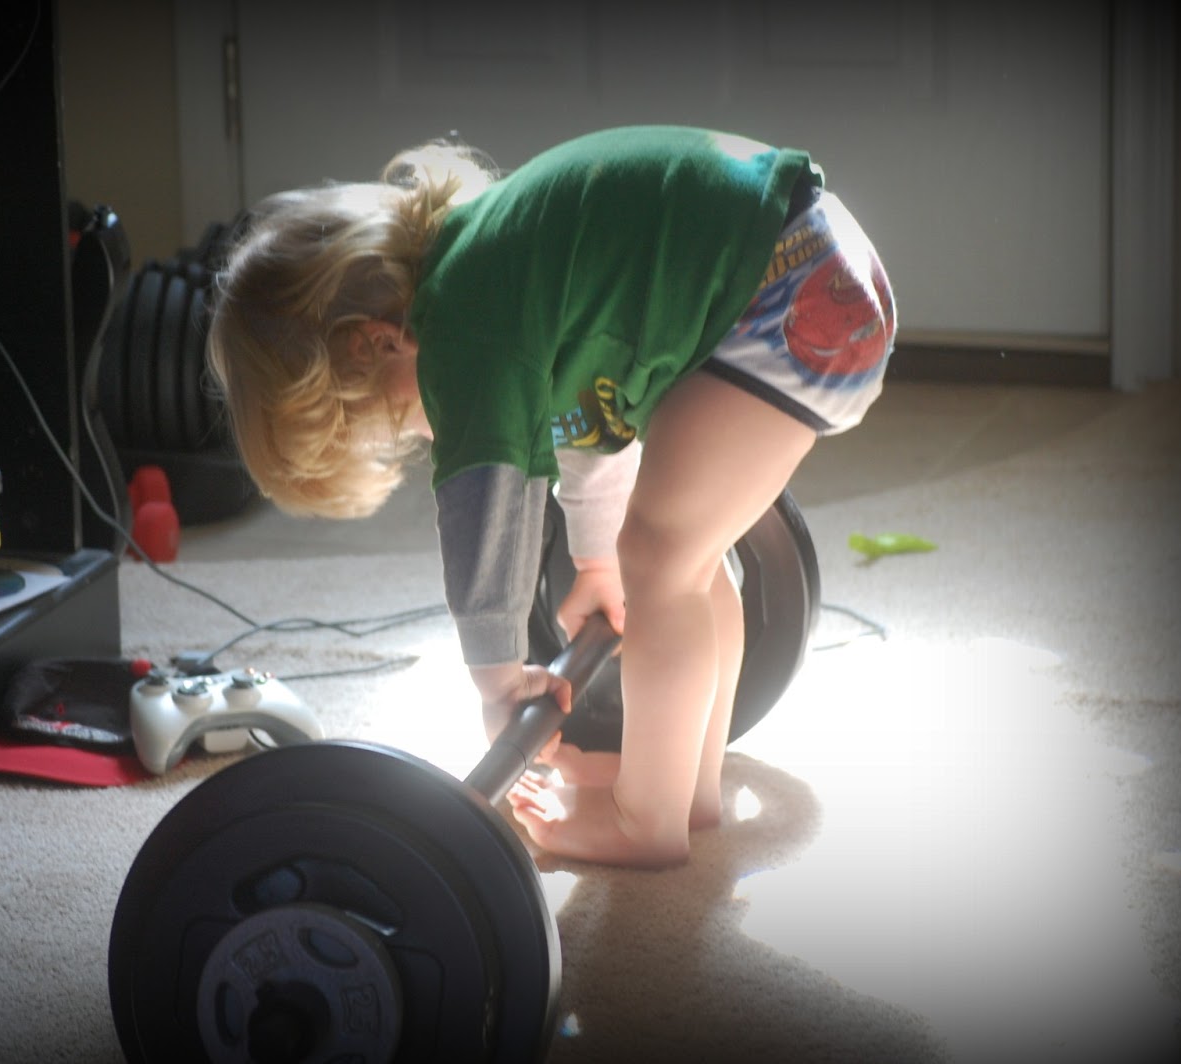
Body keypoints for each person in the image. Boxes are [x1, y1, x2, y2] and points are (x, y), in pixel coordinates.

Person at [205, 126, 895, 868]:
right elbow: (594, 422)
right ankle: (685, 792)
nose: (429, 431)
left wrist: (498, 678)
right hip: (813, 263)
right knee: (686, 565)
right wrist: (597, 562)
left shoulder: (464, 320)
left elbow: (485, 506)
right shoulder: (508, 278)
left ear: (378, 342)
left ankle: (646, 821)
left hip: (782, 283)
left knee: (661, 560)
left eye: (399, 417)